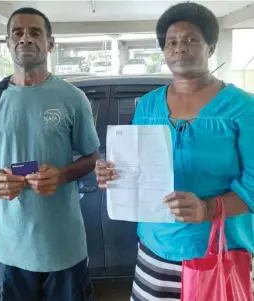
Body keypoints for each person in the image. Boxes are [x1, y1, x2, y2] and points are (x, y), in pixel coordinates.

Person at [95, 3, 254, 301]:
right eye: (172, 42)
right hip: (155, 248)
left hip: (218, 251)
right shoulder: (148, 106)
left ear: (211, 47)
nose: (180, 47)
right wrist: (112, 172)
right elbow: (136, 164)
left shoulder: (243, 108)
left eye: (192, 39)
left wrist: (208, 209)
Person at [0, 7, 99, 301]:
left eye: (35, 32)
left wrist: (62, 174)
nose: (26, 38)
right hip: (11, 248)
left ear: (50, 43)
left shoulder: (72, 97)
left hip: (64, 247)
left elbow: (91, 157)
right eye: (18, 33)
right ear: (8, 42)